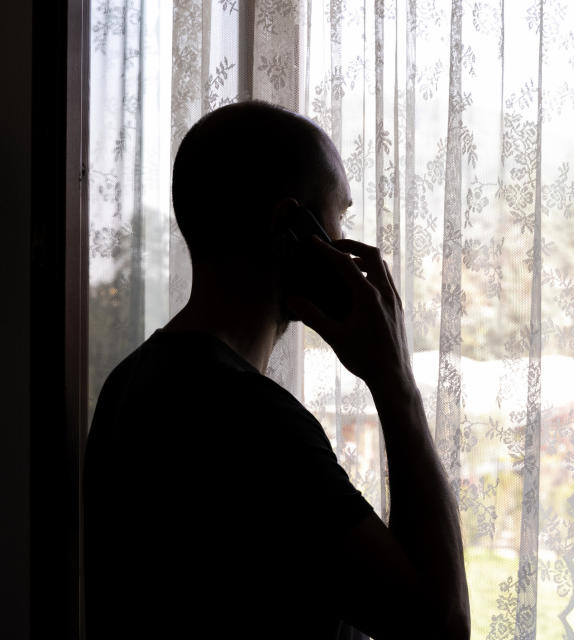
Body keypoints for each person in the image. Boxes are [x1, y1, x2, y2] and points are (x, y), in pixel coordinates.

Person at [82, 102, 470, 639]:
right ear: (289, 228)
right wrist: (395, 383)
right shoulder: (253, 421)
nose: (345, 242)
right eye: (341, 216)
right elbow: (441, 624)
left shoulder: (127, 383)